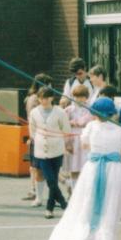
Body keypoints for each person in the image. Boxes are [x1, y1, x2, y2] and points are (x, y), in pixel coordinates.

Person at [44, 97, 121, 240]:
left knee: (85, 211)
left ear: (95, 114)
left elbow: (85, 146)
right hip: (113, 172)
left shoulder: (91, 128)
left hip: (92, 170)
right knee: (106, 217)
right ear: (113, 113)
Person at [29, 87, 71, 219]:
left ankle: (50, 208)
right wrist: (38, 139)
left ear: (52, 98)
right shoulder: (34, 112)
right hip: (41, 151)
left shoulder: (60, 112)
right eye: (41, 98)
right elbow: (32, 131)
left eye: (46, 98)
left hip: (57, 149)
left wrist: (64, 143)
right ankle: (64, 204)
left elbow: (66, 129)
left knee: (53, 181)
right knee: (51, 180)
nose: (44, 100)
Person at [23, 73, 54, 204]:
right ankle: (36, 190)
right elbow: (34, 118)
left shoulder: (32, 97)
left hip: (39, 135)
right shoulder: (36, 99)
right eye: (48, 84)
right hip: (39, 135)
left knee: (35, 166)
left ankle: (34, 190)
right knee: (39, 165)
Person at [65, 84, 94, 193]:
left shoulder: (90, 109)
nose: (79, 99)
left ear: (86, 97)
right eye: (76, 96)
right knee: (74, 167)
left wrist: (74, 122)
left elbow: (88, 121)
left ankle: (84, 191)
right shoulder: (69, 110)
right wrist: (67, 143)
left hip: (85, 139)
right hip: (73, 139)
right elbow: (64, 126)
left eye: (82, 97)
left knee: (85, 166)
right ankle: (73, 190)